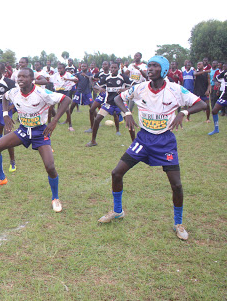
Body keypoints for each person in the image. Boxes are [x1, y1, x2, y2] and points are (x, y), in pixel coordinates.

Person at [98, 55, 207, 241]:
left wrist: (184, 111)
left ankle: (178, 223)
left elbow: (202, 104)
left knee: (177, 184)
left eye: (155, 66)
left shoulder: (175, 89)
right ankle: (118, 211)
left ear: (163, 70)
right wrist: (127, 112)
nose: (150, 69)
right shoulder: (140, 88)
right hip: (143, 139)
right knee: (116, 173)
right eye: (149, 66)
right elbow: (118, 98)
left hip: (165, 141)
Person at [0, 67, 71, 212]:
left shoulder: (41, 93)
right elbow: (5, 97)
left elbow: (66, 99)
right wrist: (6, 114)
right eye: (19, 77)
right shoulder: (14, 92)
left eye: (24, 77)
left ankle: (55, 198)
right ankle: (1, 178)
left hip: (40, 132)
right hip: (23, 130)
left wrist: (54, 121)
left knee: (50, 167)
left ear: (32, 80)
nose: (20, 79)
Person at [86, 62, 134, 147]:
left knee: (129, 121)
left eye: (115, 68)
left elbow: (134, 85)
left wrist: (125, 89)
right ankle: (93, 141)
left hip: (121, 103)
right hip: (109, 104)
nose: (113, 69)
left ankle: (134, 143)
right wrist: (99, 88)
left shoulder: (123, 77)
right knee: (97, 120)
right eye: (112, 68)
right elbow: (96, 86)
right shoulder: (106, 78)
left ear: (118, 68)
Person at [68, 63, 94, 132]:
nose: (83, 67)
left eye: (84, 66)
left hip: (87, 93)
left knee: (92, 107)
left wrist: (85, 75)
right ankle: (67, 120)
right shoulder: (78, 74)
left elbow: (92, 79)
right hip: (78, 92)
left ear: (87, 67)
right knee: (72, 106)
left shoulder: (89, 74)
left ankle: (97, 120)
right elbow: (73, 78)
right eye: (82, 66)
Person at [50, 63, 76, 131]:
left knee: (67, 109)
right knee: (50, 106)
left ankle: (70, 125)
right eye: (58, 68)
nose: (59, 70)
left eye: (60, 68)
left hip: (65, 92)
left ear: (64, 68)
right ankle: (49, 123)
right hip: (57, 91)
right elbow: (49, 79)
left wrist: (68, 79)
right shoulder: (56, 75)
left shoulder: (68, 74)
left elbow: (76, 80)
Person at [208, 62, 227, 135]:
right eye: (224, 65)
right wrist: (216, 82)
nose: (224, 67)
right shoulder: (224, 73)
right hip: (225, 95)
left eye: (225, 66)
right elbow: (215, 78)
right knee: (214, 110)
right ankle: (216, 129)